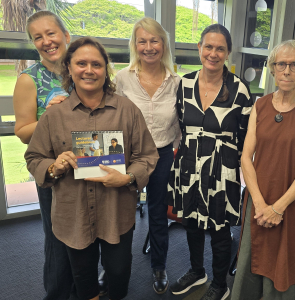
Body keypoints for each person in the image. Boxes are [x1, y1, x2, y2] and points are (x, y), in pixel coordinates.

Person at [25, 37, 159, 300]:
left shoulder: (127, 111)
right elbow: (34, 157)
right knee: (83, 276)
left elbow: (147, 155)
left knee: (119, 273)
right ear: (69, 68)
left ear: (105, 70)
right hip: (73, 214)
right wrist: (54, 166)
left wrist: (128, 177)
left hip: (116, 212)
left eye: (96, 64)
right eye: (81, 63)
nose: (89, 70)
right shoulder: (54, 116)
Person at [231, 40, 295, 300]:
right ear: (272, 68)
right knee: (253, 257)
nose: (287, 70)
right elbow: (246, 158)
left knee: (286, 263)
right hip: (259, 198)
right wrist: (260, 204)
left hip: (292, 202)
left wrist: (278, 208)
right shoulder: (260, 105)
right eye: (281, 64)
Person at [167, 24, 253, 300]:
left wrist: (226, 160)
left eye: (220, 48)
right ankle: (197, 271)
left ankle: (219, 283)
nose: (213, 53)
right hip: (189, 162)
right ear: (199, 48)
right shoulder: (185, 83)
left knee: (219, 229)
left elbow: (246, 135)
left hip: (222, 168)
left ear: (227, 53)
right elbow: (182, 124)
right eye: (209, 46)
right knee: (190, 221)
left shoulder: (239, 89)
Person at [113, 17, 180, 294]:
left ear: (163, 44)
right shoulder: (122, 77)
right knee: (118, 211)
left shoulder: (177, 81)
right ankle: (114, 267)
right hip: (127, 155)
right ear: (135, 44)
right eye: (143, 41)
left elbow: (182, 121)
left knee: (156, 212)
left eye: (154, 40)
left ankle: (159, 265)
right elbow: (110, 115)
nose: (149, 47)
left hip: (163, 153)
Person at [12, 10, 73, 300]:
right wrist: (51, 115)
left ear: (65, 36)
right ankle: (59, 294)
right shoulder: (29, 79)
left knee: (88, 232)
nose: (46, 41)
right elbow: (23, 131)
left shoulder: (83, 69)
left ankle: (85, 288)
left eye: (51, 33)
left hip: (88, 163)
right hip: (53, 171)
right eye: (38, 37)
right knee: (59, 238)